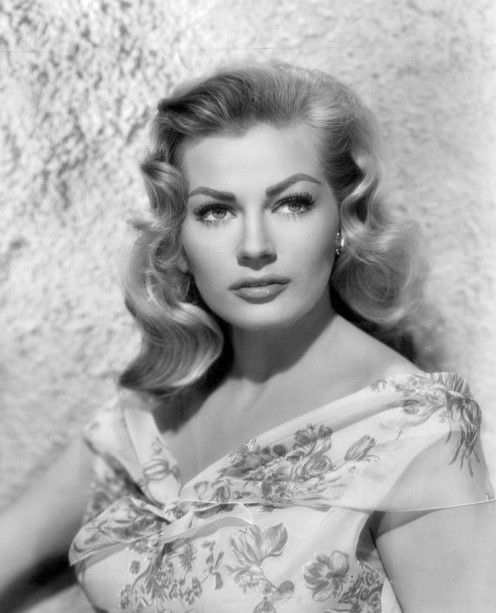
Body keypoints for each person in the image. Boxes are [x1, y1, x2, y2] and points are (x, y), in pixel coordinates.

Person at [1, 61, 495, 612]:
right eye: (215, 211)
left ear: (342, 219)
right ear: (179, 239)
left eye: (292, 203)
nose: (255, 246)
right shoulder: (152, 410)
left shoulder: (413, 428)